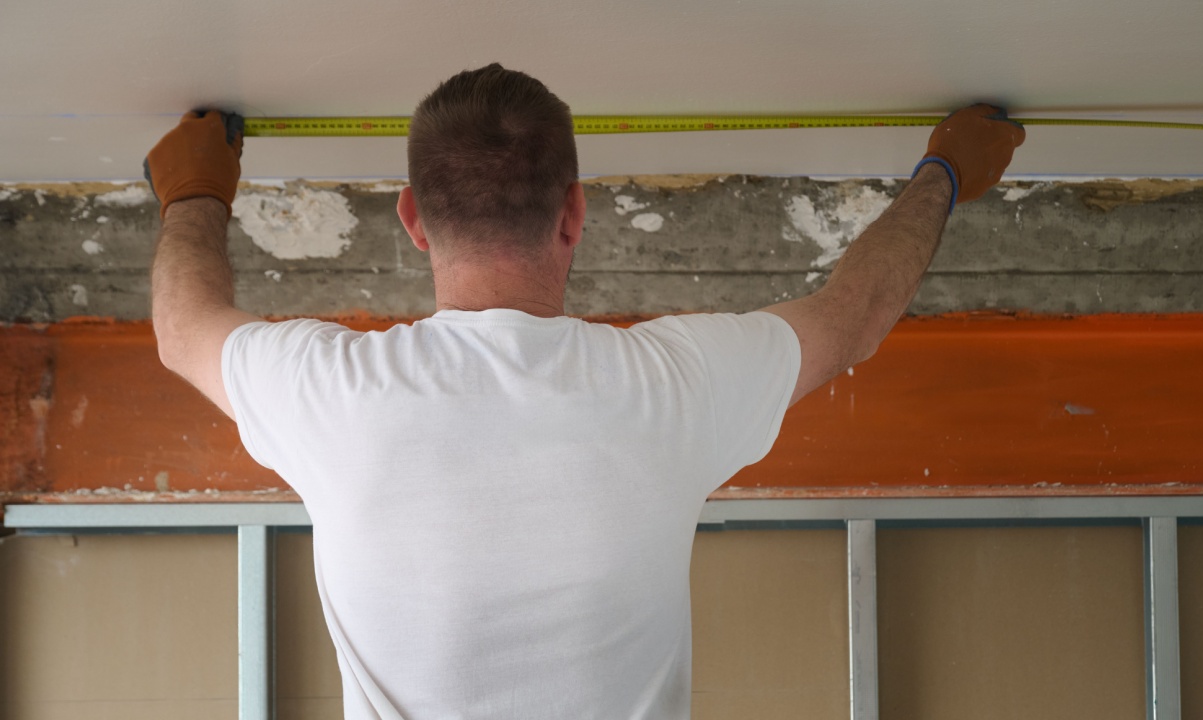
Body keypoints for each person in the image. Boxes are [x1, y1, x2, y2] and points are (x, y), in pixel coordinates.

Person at [145, 63, 1024, 719]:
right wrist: (944, 173)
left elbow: (184, 328)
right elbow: (852, 317)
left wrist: (195, 189)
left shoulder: (331, 394)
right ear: (574, 212)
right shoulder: (668, 385)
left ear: (413, 218)